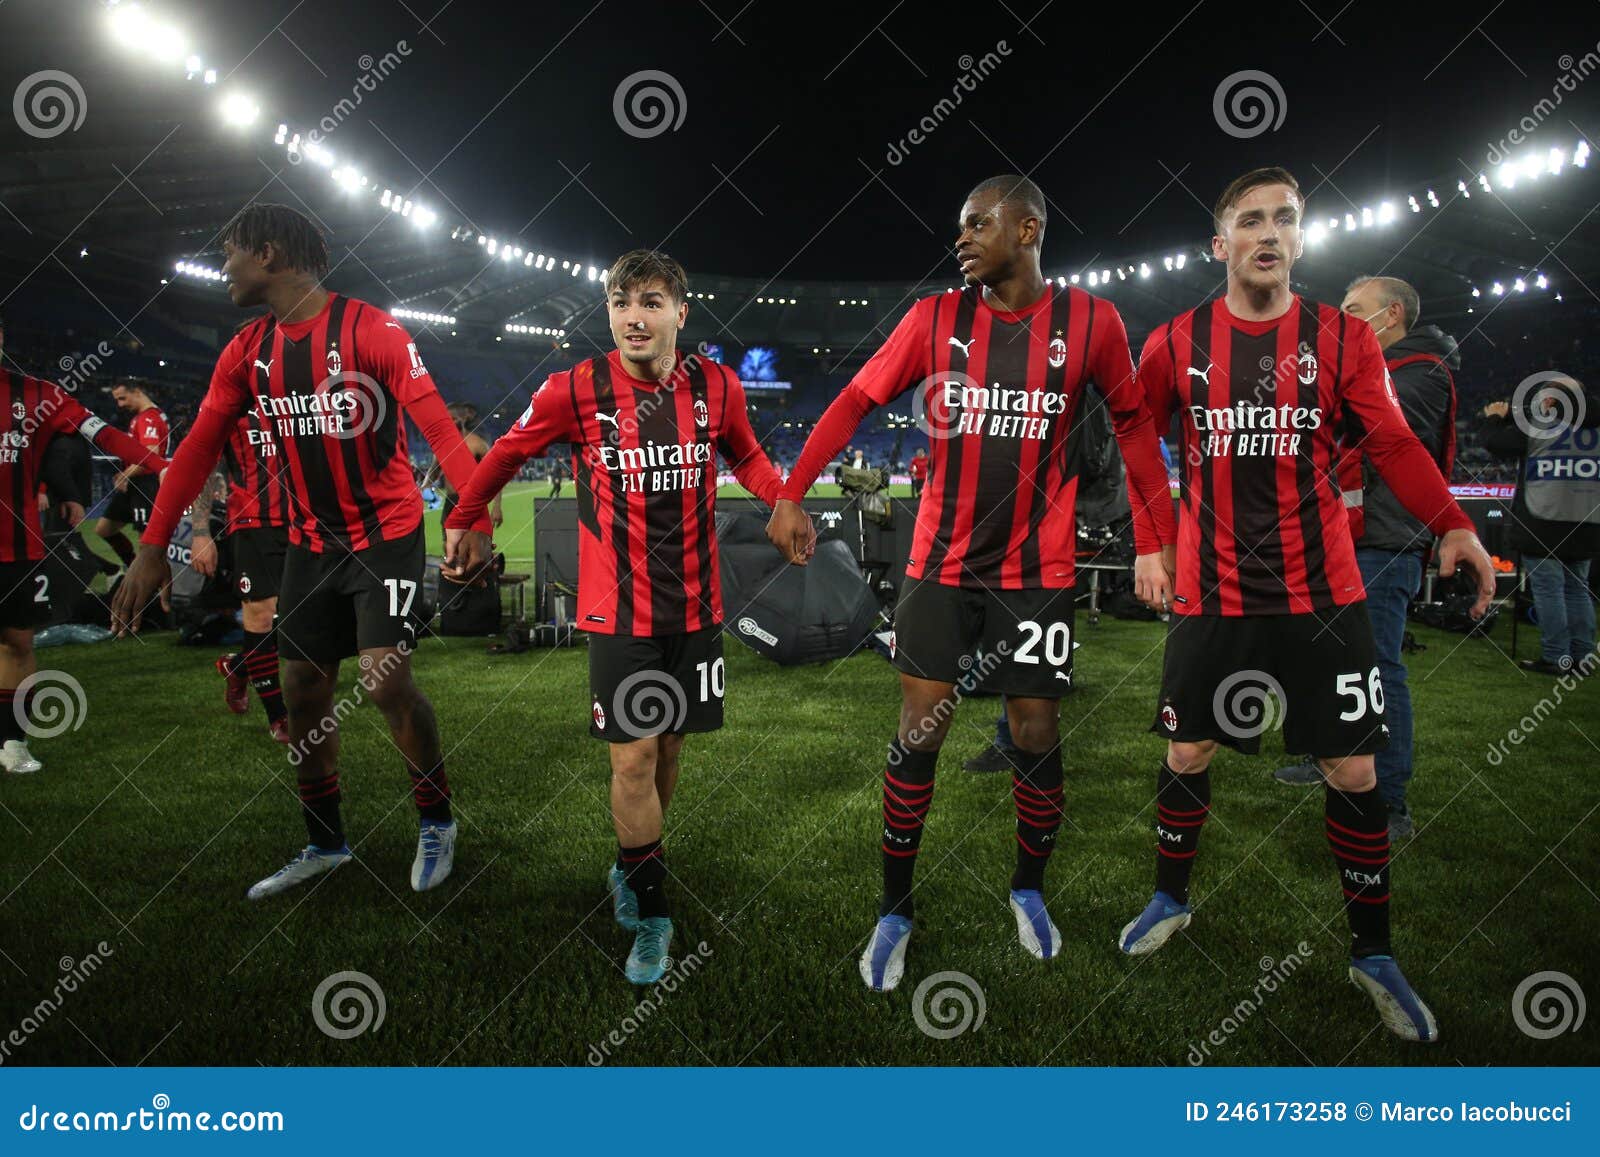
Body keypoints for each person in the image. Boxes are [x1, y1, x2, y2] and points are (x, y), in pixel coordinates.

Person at [767, 175, 1176, 992]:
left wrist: (1155, 542)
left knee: (1033, 732)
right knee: (921, 729)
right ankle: (894, 909)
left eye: (977, 224)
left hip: (1037, 570)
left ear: (1028, 229)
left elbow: (1133, 425)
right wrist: (792, 487)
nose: (960, 238)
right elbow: (855, 396)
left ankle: (1028, 889)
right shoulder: (933, 319)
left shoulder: (1092, 321)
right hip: (939, 566)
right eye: (958, 226)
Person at [1121, 167, 1497, 1043]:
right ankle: (1169, 899)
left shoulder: (1341, 340)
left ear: (1298, 240)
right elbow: (1136, 435)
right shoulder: (1175, 339)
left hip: (1324, 591)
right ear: (1221, 245)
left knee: (1353, 769)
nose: (1268, 231)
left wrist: (1453, 523)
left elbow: (1394, 440)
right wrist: (1151, 532)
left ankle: (1371, 952)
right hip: (1213, 589)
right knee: (1189, 745)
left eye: (1284, 219)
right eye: (1249, 219)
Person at [110, 202, 491, 899]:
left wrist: (474, 521)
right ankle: (325, 841)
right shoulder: (245, 351)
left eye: (230, 251)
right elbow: (196, 450)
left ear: (268, 256)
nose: (222, 266)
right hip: (308, 541)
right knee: (303, 690)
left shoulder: (372, 329)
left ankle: (436, 820)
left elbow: (436, 426)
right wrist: (153, 545)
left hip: (386, 535)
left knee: (384, 679)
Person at [445, 249, 786, 986]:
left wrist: (781, 499)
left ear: (679, 313)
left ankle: (634, 862)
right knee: (632, 756)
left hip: (696, 606)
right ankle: (654, 912)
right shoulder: (575, 390)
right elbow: (504, 452)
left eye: (652, 301)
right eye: (622, 302)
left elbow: (750, 456)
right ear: (609, 313)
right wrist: (463, 515)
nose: (635, 316)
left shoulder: (718, 387)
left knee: (668, 753)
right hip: (620, 612)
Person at [1274, 276, 1460, 839]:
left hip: (1385, 539)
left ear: (1393, 314)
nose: (1344, 321)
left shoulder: (1423, 371)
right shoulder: (1367, 366)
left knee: (1377, 668)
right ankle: (1326, 753)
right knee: (1322, 657)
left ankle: (1392, 800)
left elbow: (1384, 435)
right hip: (1344, 536)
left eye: (1356, 312)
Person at [1, 339, 168, 774]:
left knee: (18, 642)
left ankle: (12, 742)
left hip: (17, 546)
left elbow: (104, 434)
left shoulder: (40, 395)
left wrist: (159, 464)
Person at [1479, 374, 1600, 673]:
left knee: (1549, 589)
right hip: (1585, 520)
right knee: (1577, 588)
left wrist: (1496, 418)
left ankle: (1557, 657)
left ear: (1550, 400)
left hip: (1542, 519)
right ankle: (1583, 658)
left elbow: (1497, 444)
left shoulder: (1541, 423)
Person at [188, 407, 292, 744]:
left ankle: (240, 666)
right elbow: (204, 466)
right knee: (261, 615)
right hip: (252, 523)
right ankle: (279, 718)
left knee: (305, 619)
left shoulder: (297, 388)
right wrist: (201, 531)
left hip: (306, 521)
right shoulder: (228, 401)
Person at [92, 380, 168, 569]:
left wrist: (125, 474)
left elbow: (152, 452)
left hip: (146, 484)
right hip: (135, 483)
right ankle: (132, 567)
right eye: (117, 400)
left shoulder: (149, 418)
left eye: (123, 398)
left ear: (138, 392)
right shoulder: (142, 417)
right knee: (104, 529)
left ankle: (152, 587)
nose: (120, 404)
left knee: (147, 542)